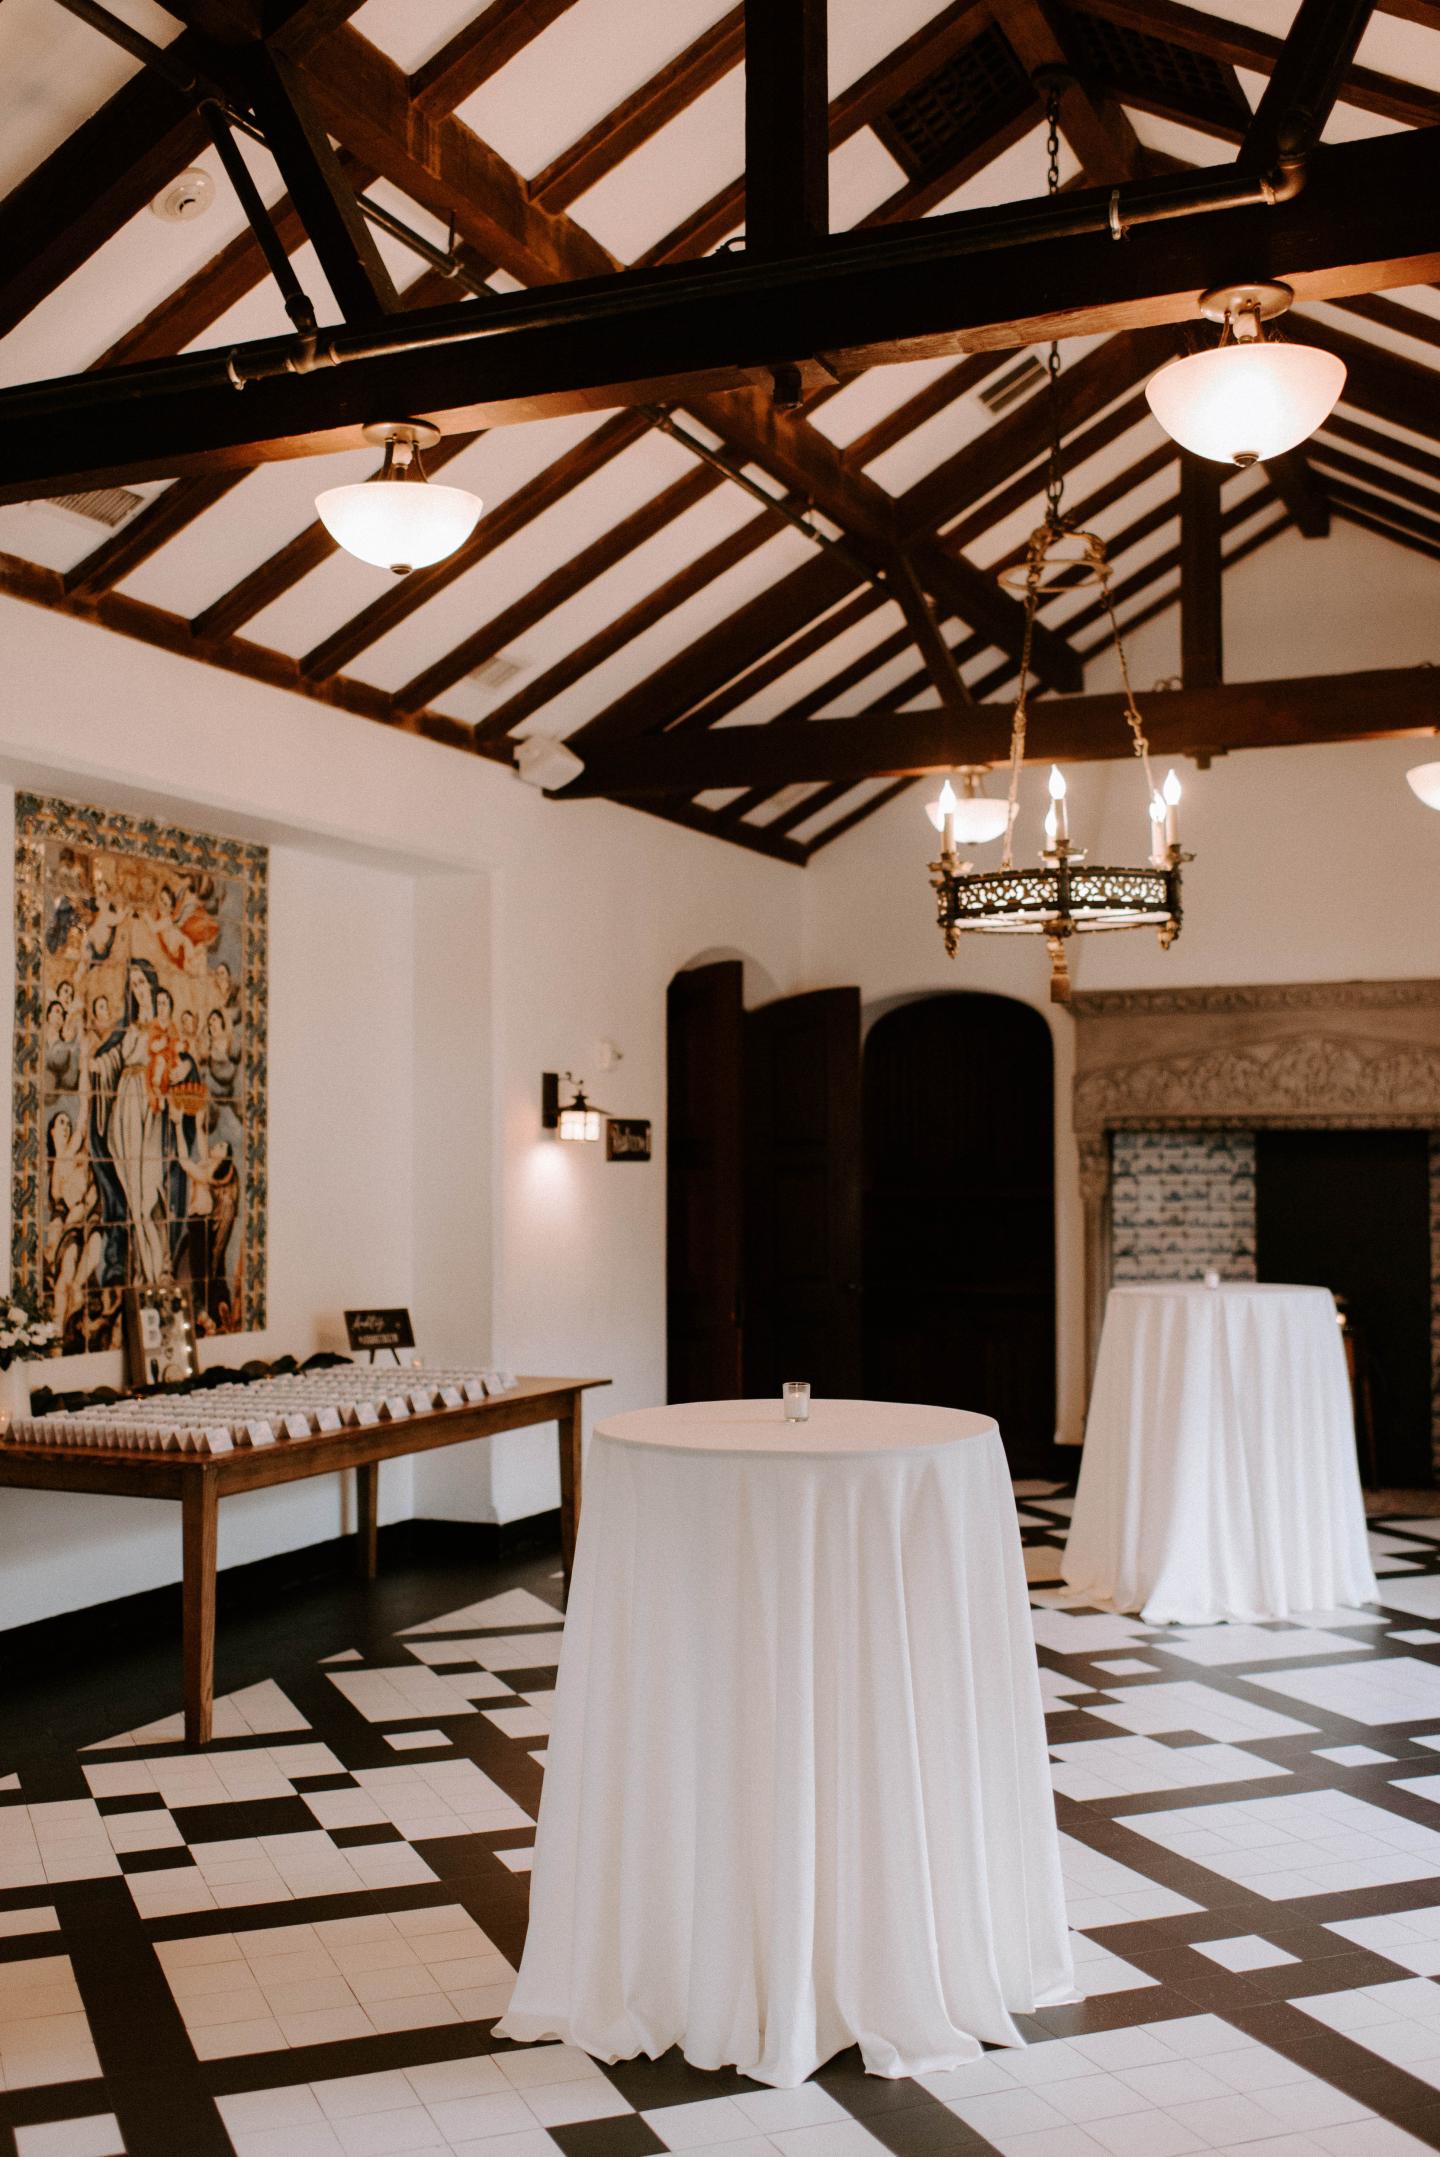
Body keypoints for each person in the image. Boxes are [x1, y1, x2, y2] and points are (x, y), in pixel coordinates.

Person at [83, 957, 174, 1288]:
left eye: (142, 982)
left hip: (147, 1110)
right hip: (125, 1104)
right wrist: (99, 1064)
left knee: (146, 1189)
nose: (138, 989)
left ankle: (154, 1271)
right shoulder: (130, 1028)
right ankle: (146, 1274)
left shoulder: (161, 1027)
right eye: (133, 984)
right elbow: (116, 1058)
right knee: (133, 1191)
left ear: (151, 982)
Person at [43, 998, 79, 1094]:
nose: (60, 1016)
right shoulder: (41, 1043)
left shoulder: (67, 1047)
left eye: (62, 1015)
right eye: (57, 1011)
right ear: (48, 1015)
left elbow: (71, 1081)